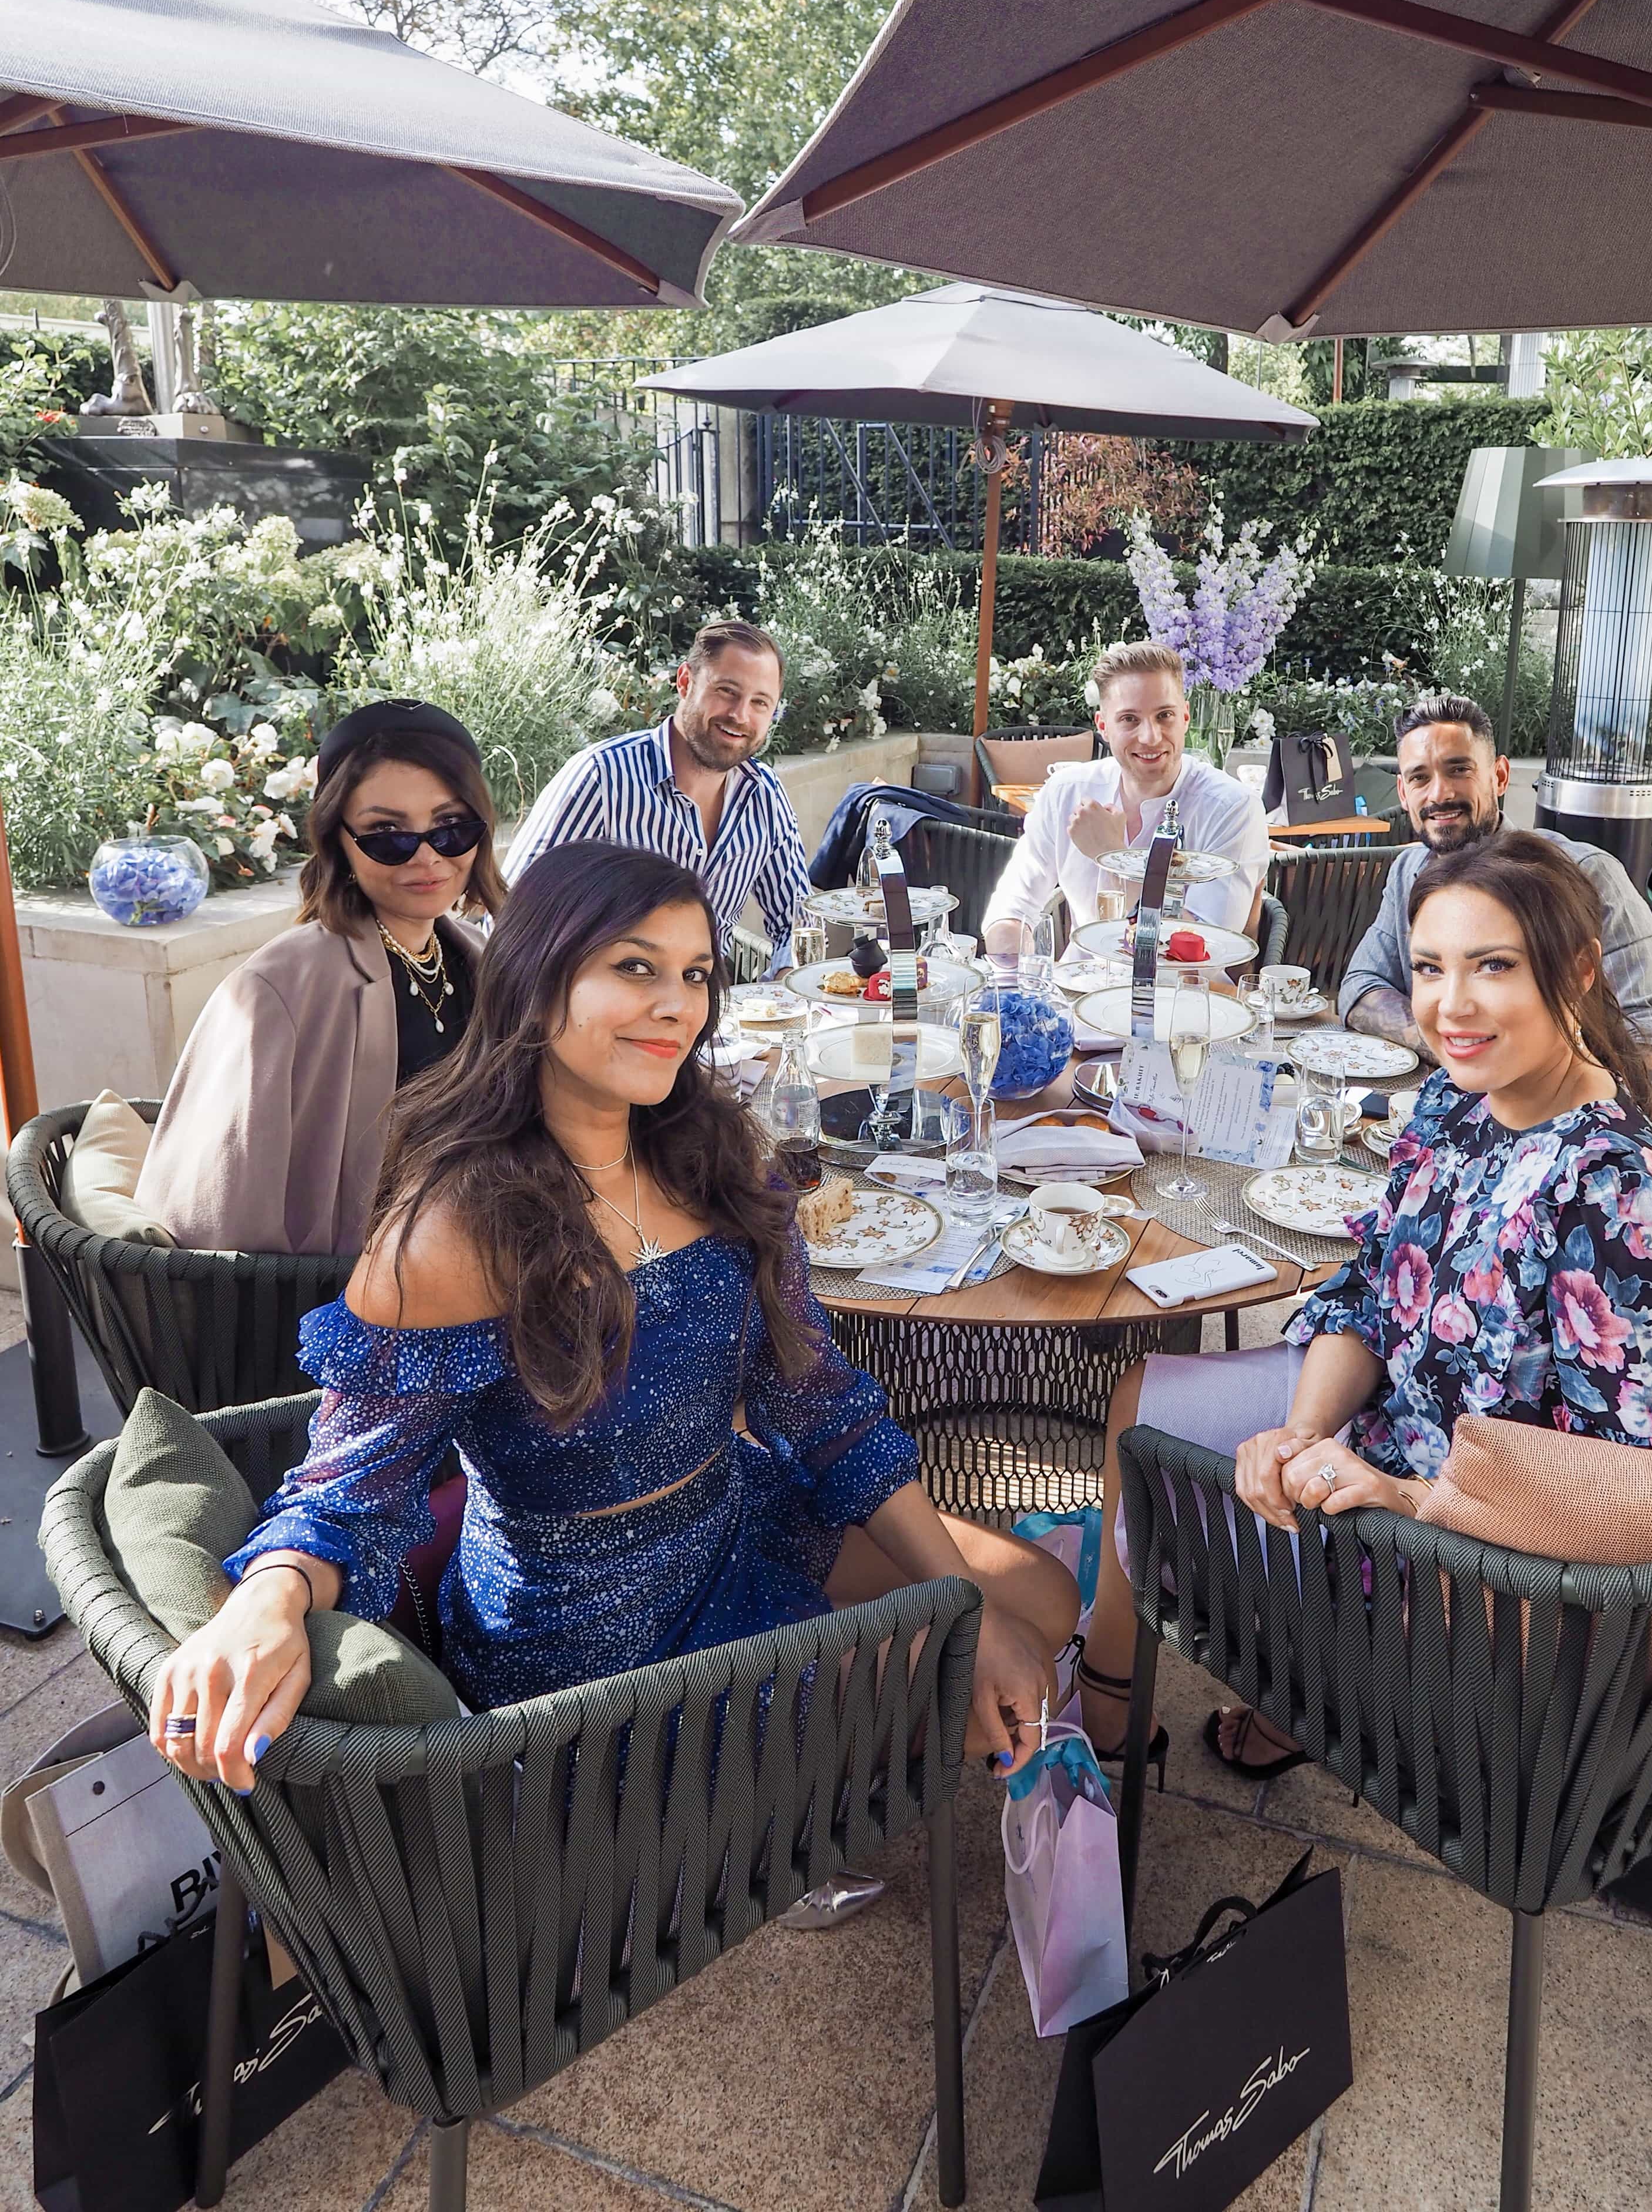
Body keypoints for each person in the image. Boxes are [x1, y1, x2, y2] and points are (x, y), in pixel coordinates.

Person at [149, 844, 1077, 1804]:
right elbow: (351, 1489)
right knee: (957, 1674)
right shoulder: (453, 1232)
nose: (678, 1005)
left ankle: (800, 1800)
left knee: (1036, 1599)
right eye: (635, 968)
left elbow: (821, 1407)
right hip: (586, 1638)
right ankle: (769, 1834)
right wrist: (266, 1600)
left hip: (734, 1518)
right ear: (536, 983)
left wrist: (962, 1599)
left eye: (696, 973)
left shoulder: (721, 1160)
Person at [1073, 833, 1652, 1780]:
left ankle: (1315, 1684)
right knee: (1141, 1403)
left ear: (1580, 970)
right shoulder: (1453, 1107)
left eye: (1493, 966)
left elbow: (1648, 1498)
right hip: (1377, 1451)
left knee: (1171, 1491)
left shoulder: (1627, 1200)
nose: (1450, 1005)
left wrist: (1409, 1501)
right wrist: (1302, 1433)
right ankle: (1126, 1683)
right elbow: (1372, 1292)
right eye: (1430, 968)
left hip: (1476, 1568)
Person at [134, 701, 502, 1256]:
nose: (427, 856)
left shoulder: (479, 956)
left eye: (451, 827)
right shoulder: (278, 989)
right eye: (386, 832)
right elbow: (213, 1213)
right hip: (349, 1286)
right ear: (338, 840)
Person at [1338, 692, 1652, 1127]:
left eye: (1459, 769)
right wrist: (1462, 1045)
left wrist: (1636, 1142)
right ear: (1404, 793)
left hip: (1564, 1124)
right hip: (1443, 1116)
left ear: (1499, 776)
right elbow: (1360, 986)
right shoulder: (1409, 870)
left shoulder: (1585, 874)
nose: (1440, 793)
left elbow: (1647, 1032)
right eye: (1420, 778)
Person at [505, 620, 811, 959]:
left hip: (713, 991)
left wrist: (788, 972)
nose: (740, 715)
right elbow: (510, 917)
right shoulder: (602, 778)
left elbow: (799, 922)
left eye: (760, 703)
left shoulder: (765, 796)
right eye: (727, 691)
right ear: (685, 682)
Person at [982, 640, 1271, 948]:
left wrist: (1114, 858)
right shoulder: (1065, 792)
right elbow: (1011, 907)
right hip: (1077, 977)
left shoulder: (1233, 808)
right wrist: (1014, 969)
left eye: (1165, 716)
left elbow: (1201, 948)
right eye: (1129, 719)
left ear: (1185, 717)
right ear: (1103, 726)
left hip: (1178, 981)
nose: (1150, 737)